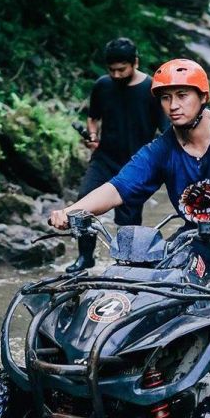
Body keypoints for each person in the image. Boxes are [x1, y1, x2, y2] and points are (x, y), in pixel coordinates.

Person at [48, 59, 210, 391]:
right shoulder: (161, 149)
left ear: (202, 96)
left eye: (182, 95)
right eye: (165, 98)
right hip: (197, 238)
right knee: (154, 291)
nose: (173, 105)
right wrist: (73, 210)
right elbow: (118, 187)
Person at [66, 37, 167, 273]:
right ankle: (85, 257)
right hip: (105, 157)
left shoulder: (152, 90)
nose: (117, 74)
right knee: (84, 201)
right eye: (112, 70)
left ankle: (126, 265)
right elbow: (93, 117)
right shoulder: (103, 85)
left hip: (137, 164)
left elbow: (166, 131)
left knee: (128, 218)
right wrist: (92, 136)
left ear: (135, 62)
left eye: (122, 69)